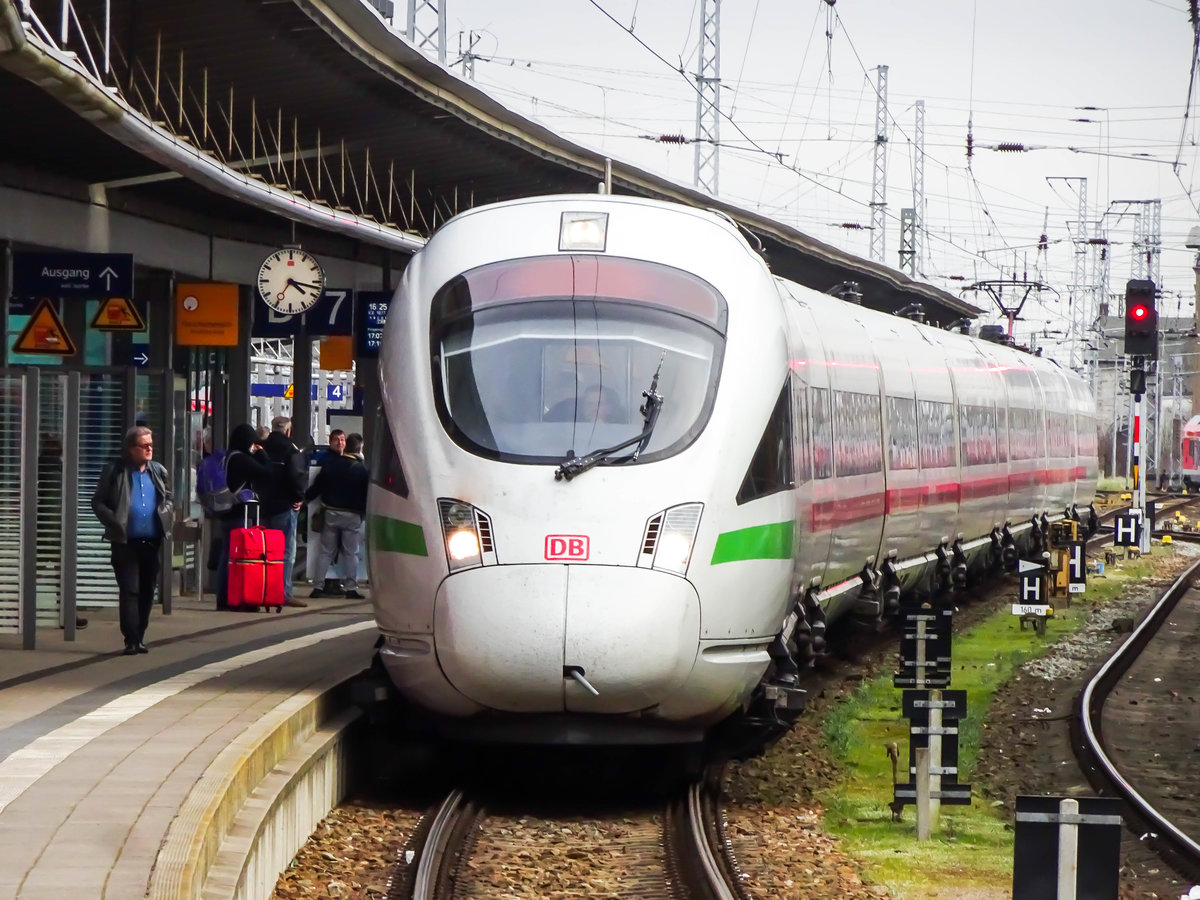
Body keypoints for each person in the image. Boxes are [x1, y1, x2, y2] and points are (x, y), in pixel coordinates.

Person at [91, 426, 173, 654]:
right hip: (125, 542)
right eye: (144, 445)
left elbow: (168, 496)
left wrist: (167, 512)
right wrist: (114, 521)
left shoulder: (158, 471)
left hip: (151, 542)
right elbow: (97, 502)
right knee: (130, 590)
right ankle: (131, 639)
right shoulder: (115, 471)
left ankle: (140, 635)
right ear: (130, 448)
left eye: (151, 445)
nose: (149, 449)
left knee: (147, 591)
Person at [216, 423, 279, 610]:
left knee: (227, 556)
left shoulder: (227, 457)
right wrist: (261, 453)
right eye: (252, 442)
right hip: (240, 513)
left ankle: (224, 598)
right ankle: (235, 598)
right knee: (238, 558)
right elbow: (268, 471)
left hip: (227, 512)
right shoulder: (241, 459)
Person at [306, 432, 369, 599]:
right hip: (352, 516)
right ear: (360, 449)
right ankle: (351, 588)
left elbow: (317, 487)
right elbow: (366, 495)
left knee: (325, 551)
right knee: (351, 553)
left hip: (331, 513)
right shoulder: (362, 470)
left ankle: (318, 587)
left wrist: (305, 499)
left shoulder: (331, 464)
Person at [263, 416, 308, 608]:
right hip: (284, 506)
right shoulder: (291, 450)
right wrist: (299, 497)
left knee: (264, 551)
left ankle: (263, 590)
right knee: (286, 552)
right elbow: (297, 477)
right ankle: (283, 593)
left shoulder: (261, 448)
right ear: (288, 431)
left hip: (263, 506)